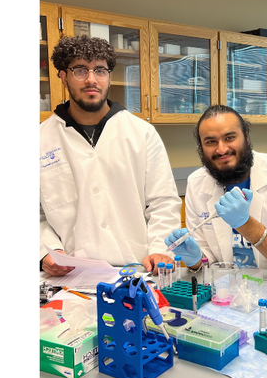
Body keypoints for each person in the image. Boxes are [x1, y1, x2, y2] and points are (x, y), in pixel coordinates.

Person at [40, 35, 180, 275]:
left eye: (100, 70)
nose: (91, 80)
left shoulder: (142, 133)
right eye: (80, 70)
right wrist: (47, 250)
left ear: (109, 76)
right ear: (63, 77)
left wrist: (160, 248)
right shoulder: (40, 139)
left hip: (134, 270)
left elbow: (163, 202)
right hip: (68, 275)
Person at [165, 105, 267, 278]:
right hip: (229, 291)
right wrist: (195, 259)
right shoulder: (196, 183)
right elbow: (209, 259)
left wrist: (245, 225)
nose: (221, 149)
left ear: (247, 137)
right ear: (201, 148)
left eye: (229, 137)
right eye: (210, 141)